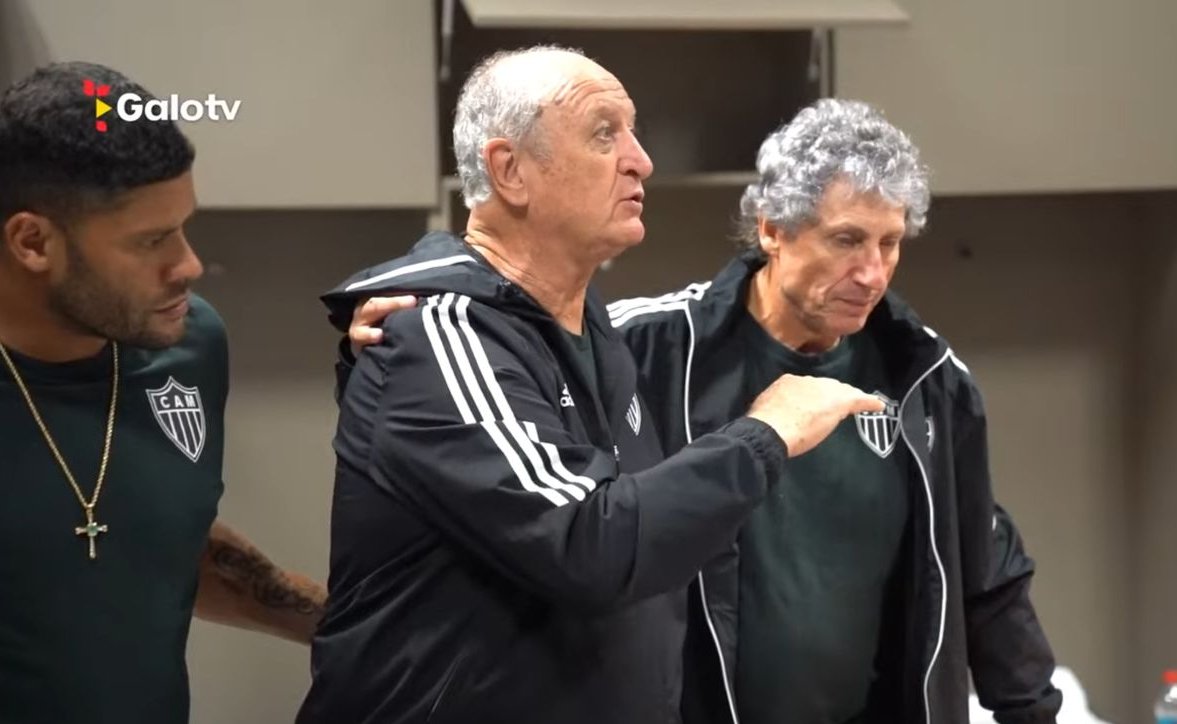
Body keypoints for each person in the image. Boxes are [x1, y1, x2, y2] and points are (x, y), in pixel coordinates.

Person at [351, 99, 1064, 723]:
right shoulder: (643, 347)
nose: (872, 272)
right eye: (846, 240)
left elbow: (986, 571)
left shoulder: (929, 379)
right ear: (772, 230)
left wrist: (1030, 712)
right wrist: (395, 337)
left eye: (890, 243)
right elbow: (498, 434)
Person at [298, 46, 883, 724]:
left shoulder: (589, 325)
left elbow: (647, 547)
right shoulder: (436, 332)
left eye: (634, 132)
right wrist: (766, 433)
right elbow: (588, 544)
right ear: (509, 170)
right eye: (605, 134)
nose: (641, 160)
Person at [0, 62, 327, 724]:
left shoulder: (190, 345)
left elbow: (151, 539)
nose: (189, 264)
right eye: (151, 240)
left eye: (182, 226)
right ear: (33, 242)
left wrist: (382, 631)